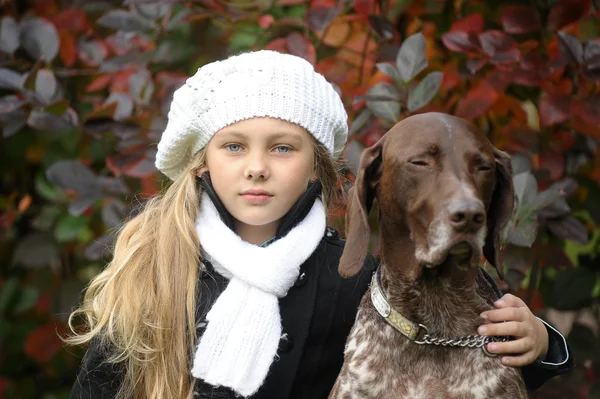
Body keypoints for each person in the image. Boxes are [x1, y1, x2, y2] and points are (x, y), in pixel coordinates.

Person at [65, 50, 573, 399]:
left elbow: (443, 356)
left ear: (317, 166)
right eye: (234, 145)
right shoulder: (153, 264)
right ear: (202, 161)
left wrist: (542, 343)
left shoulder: (353, 277)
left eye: (282, 147)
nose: (257, 166)